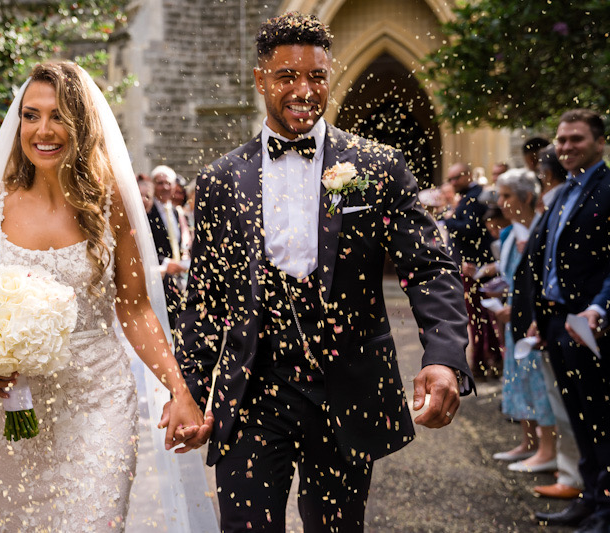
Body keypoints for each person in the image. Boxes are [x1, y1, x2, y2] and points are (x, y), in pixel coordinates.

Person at [172, 12, 473, 531]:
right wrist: (189, 390)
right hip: (253, 393)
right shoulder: (221, 179)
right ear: (261, 79)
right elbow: (206, 297)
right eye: (287, 76)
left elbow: (430, 268)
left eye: (316, 76)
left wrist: (444, 356)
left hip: (345, 388)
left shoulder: (379, 166)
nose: (304, 89)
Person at [0, 61, 211, 531]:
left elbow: (136, 309)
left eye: (58, 115)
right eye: (31, 115)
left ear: (82, 123)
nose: (43, 130)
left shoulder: (111, 198)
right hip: (20, 407)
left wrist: (178, 390)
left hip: (98, 400)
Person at [524, 109, 610, 532]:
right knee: (578, 417)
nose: (566, 147)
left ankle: (607, 512)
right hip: (558, 323)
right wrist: (542, 315)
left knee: (603, 421)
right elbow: (550, 261)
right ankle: (591, 500)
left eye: (576, 139)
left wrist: (600, 307)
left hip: (593, 325)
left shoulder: (608, 189)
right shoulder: (562, 193)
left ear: (600, 141)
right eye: (561, 140)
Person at [490, 169, 557, 473]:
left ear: (527, 197)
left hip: (533, 318)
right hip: (513, 315)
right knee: (518, 379)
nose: (501, 203)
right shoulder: (510, 232)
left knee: (539, 383)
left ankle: (548, 449)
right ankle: (528, 442)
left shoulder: (542, 227)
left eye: (506, 196)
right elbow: (511, 277)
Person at [526, 144, 583, 500]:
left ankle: (579, 481)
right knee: (565, 404)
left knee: (576, 407)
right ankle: (579, 481)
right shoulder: (560, 200)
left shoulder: (567, 199)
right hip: (552, 318)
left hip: (577, 319)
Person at [444, 162, 503, 379]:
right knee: (480, 317)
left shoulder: (477, 197)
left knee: (478, 318)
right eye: (450, 179)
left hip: (476, 267)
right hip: (471, 265)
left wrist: (449, 221)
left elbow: (470, 229)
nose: (452, 183)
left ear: (467, 174)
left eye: (455, 178)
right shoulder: (470, 195)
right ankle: (489, 361)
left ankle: (481, 363)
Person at [147, 164, 188, 327]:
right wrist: (165, 263)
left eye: (168, 183)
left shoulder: (177, 212)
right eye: (159, 182)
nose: (164, 187)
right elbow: (145, 247)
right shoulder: (147, 212)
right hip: (157, 278)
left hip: (177, 280)